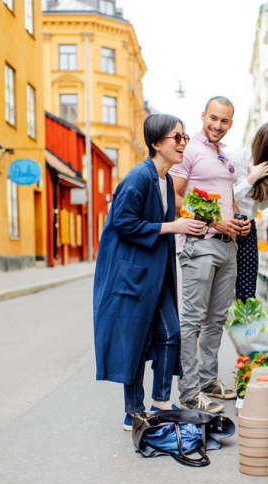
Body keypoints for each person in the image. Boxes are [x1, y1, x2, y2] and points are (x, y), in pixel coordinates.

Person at [93, 114, 206, 431]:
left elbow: (163, 222)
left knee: (171, 334)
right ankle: (133, 411)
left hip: (158, 271)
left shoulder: (167, 180)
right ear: (156, 143)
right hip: (133, 274)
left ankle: (160, 403)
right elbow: (123, 224)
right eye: (177, 138)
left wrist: (189, 222)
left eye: (185, 137)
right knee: (136, 342)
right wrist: (175, 226)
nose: (184, 143)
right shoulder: (137, 179)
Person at [169, 96, 250, 413]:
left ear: (231, 122)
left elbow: (228, 196)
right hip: (199, 244)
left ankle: (207, 381)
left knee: (217, 318)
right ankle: (189, 392)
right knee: (192, 321)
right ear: (203, 116)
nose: (218, 125)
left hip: (228, 245)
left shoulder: (224, 157)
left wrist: (238, 221)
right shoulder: (188, 151)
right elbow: (174, 197)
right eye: (213, 118)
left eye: (225, 121)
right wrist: (211, 221)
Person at [230, 121, 268, 301]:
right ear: (267, 145)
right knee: (223, 290)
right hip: (227, 226)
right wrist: (251, 179)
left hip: (248, 226)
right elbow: (225, 197)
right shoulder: (238, 158)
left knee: (247, 292)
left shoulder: (266, 166)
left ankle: (243, 327)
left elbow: (259, 205)